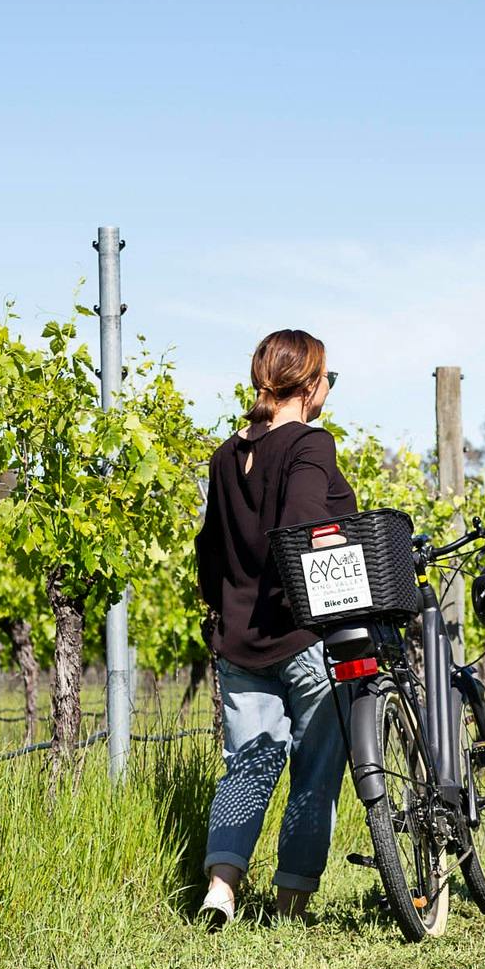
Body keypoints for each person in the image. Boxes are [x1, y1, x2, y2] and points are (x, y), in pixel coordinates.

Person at [193, 329, 356, 928]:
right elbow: (304, 529)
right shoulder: (310, 444)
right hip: (302, 639)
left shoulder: (226, 454)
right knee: (314, 772)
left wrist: (226, 609)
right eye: (327, 380)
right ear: (309, 385)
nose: (326, 391)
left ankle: (222, 887)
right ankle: (290, 899)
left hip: (238, 641)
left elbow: (208, 549)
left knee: (249, 764)